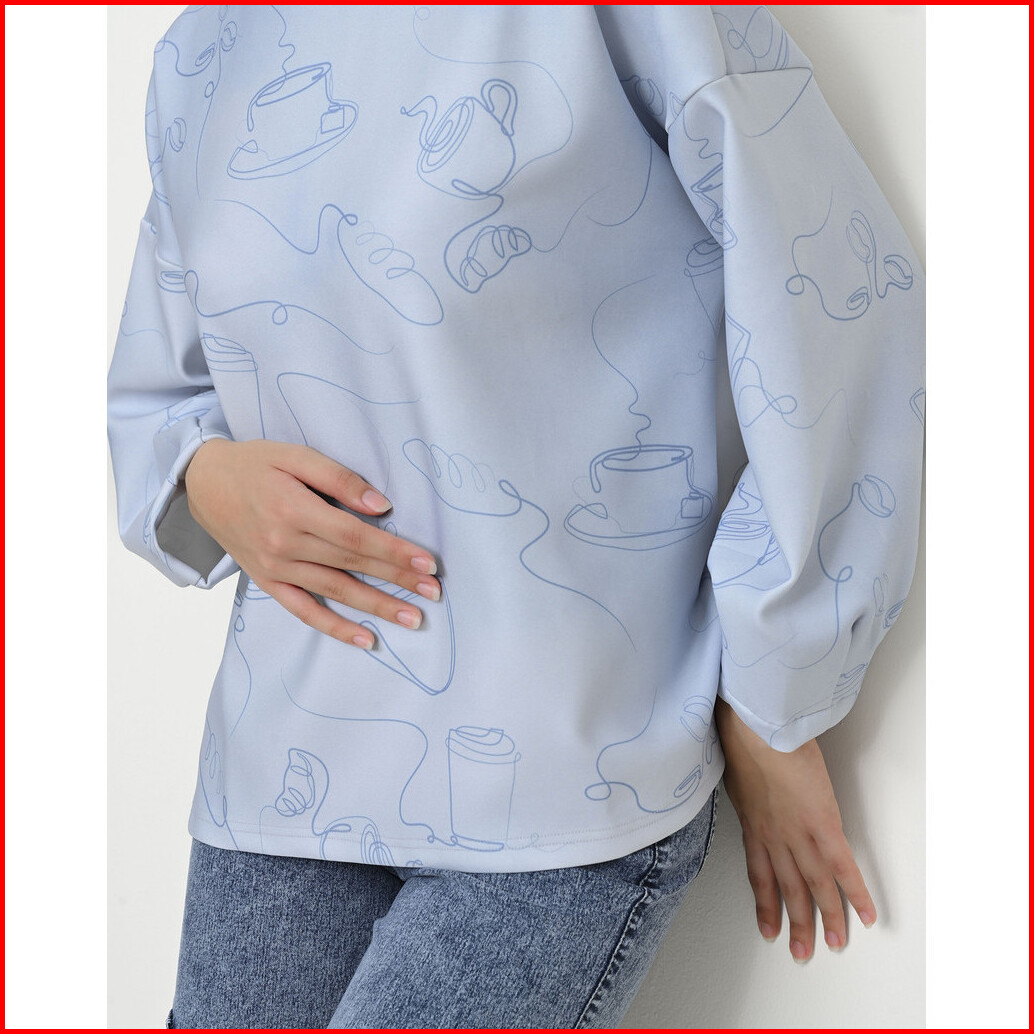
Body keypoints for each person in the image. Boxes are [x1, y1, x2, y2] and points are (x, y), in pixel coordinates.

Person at [107, 5, 924, 1028]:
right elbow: (159, 388)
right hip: (279, 762)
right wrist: (201, 475)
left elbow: (834, 287)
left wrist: (775, 686)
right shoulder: (204, 46)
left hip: (565, 762)